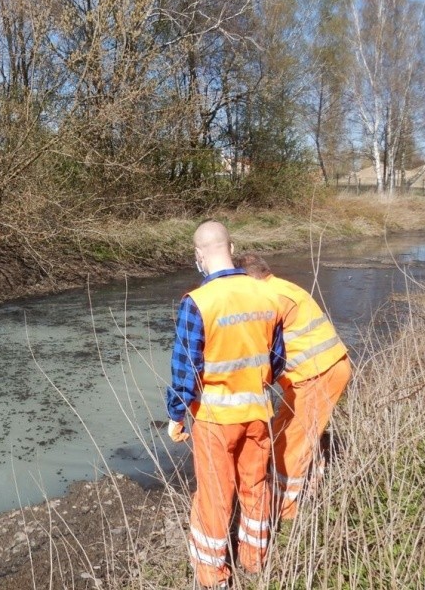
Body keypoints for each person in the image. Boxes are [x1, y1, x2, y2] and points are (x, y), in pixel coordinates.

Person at [166, 221, 285, 589]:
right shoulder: (266, 294)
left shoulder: (198, 302)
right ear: (231, 247)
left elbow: (185, 369)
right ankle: (254, 560)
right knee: (255, 485)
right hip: (258, 412)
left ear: (199, 255)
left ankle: (212, 575)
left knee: (215, 496)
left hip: (216, 417)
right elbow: (277, 360)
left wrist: (176, 414)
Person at [232, 253, 352, 521]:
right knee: (302, 433)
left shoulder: (266, 299)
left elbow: (259, 353)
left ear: (246, 278)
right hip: (329, 367)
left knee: (287, 446)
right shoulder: (283, 287)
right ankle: (312, 486)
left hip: (316, 376)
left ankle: (285, 513)